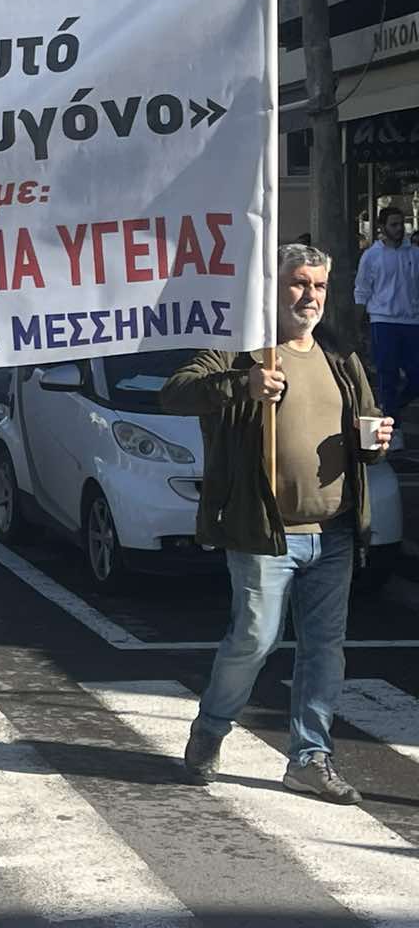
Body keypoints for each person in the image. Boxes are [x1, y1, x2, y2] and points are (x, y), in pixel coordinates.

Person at [164, 242, 391, 804]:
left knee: (324, 649)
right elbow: (176, 393)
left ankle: (310, 757)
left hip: (334, 532)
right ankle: (211, 728)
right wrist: (242, 384)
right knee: (254, 639)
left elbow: (366, 427)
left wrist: (375, 443)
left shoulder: (339, 355)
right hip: (264, 531)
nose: (310, 295)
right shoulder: (239, 349)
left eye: (319, 285)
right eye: (299, 283)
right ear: (273, 287)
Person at [353, 204, 419, 444]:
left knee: (416, 375)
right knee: (387, 374)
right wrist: (359, 323)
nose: (399, 229)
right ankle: (394, 426)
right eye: (394, 225)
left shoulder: (414, 254)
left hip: (412, 321)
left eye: (402, 224)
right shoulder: (372, 256)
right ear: (382, 228)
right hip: (383, 321)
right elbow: (362, 289)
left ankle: (390, 408)